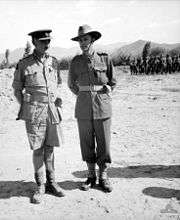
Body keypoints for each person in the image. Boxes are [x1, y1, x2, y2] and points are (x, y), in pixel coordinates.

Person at [12, 29, 65, 204]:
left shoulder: (54, 62)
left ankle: (52, 182)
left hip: (51, 109)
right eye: (42, 41)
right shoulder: (24, 64)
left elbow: (57, 83)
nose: (47, 44)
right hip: (34, 111)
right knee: (38, 149)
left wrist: (54, 99)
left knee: (50, 148)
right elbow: (17, 89)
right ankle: (40, 184)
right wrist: (27, 106)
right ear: (34, 42)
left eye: (48, 40)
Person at [68, 25, 116, 193]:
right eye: (80, 40)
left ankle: (103, 175)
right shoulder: (75, 62)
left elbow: (112, 81)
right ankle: (90, 175)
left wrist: (106, 89)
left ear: (92, 40)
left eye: (85, 39)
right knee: (86, 142)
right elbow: (71, 85)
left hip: (103, 107)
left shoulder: (104, 58)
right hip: (83, 108)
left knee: (104, 142)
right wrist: (84, 95)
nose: (82, 43)